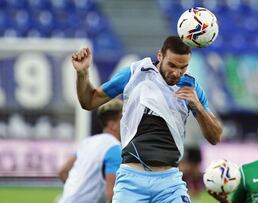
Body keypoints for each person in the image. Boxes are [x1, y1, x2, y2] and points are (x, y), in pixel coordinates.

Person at [71, 36, 223, 203]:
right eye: (171, 65)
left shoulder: (191, 87)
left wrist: (198, 108)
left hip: (170, 182)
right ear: (160, 56)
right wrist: (82, 73)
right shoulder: (135, 74)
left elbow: (215, 137)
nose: (176, 73)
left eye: (183, 68)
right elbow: (89, 101)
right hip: (131, 181)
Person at [58, 99, 123, 203]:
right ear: (113, 125)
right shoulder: (114, 148)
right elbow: (111, 195)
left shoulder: (87, 142)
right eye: (125, 120)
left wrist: (77, 192)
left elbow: (62, 172)